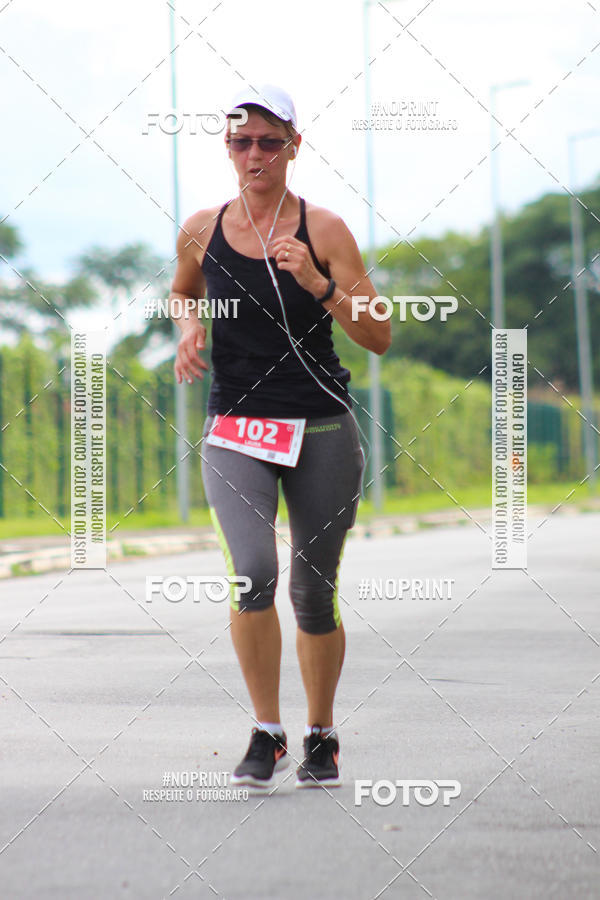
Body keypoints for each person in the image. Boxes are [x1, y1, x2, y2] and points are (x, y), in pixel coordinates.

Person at [169, 84, 390, 790]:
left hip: (319, 423)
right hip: (235, 427)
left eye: (270, 140)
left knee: (313, 590)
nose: (255, 153)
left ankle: (321, 734)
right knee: (253, 575)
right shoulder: (202, 228)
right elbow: (181, 288)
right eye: (241, 141)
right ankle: (267, 731)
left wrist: (319, 284)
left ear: (295, 145)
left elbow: (378, 333)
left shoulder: (323, 230)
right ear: (228, 149)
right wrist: (189, 326)